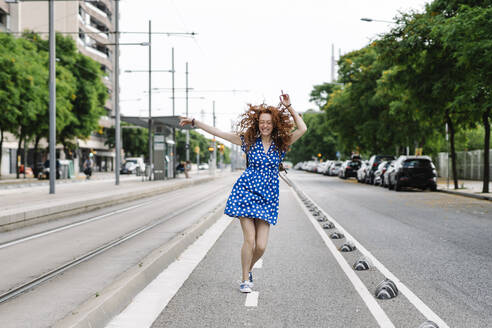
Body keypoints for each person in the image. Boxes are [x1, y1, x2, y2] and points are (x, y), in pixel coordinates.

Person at [179, 91, 307, 293]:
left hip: (268, 197)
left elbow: (303, 127)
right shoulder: (248, 141)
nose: (265, 125)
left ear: (274, 124)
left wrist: (289, 106)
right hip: (245, 193)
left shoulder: (281, 144)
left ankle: (248, 269)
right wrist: (195, 122)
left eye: (268, 122)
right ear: (258, 124)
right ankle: (245, 279)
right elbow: (219, 132)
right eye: (262, 122)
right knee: (250, 240)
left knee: (261, 246)